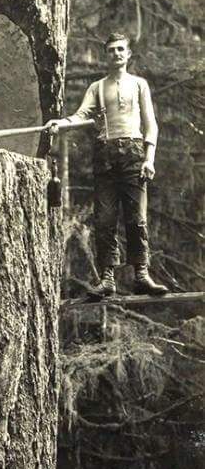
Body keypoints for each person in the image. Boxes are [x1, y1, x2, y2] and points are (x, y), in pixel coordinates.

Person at [46, 32, 168, 297]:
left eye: (121, 49)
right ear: (106, 54)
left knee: (136, 219)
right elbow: (79, 116)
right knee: (104, 220)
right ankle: (108, 279)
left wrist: (149, 159)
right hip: (105, 158)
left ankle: (141, 275)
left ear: (128, 54)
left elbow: (151, 125)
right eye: (111, 50)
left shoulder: (139, 85)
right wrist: (59, 123)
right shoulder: (97, 88)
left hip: (134, 155)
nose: (116, 54)